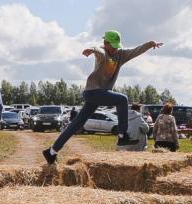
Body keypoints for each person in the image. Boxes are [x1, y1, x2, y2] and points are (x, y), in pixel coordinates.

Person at [43, 29, 162, 163]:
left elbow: (135, 51)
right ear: (106, 43)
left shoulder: (120, 55)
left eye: (117, 46)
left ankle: (51, 151)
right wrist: (92, 50)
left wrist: (150, 44)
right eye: (113, 46)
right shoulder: (103, 54)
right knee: (122, 99)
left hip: (99, 95)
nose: (115, 49)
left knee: (76, 124)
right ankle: (122, 136)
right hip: (92, 92)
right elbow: (98, 50)